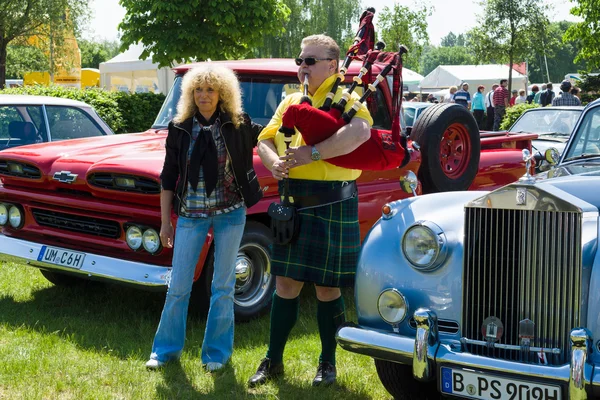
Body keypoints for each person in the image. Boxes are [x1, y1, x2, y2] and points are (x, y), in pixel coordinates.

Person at [248, 34, 373, 388]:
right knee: (285, 283)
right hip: (294, 200)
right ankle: (272, 361)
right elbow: (265, 139)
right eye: (300, 60)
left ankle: (327, 363)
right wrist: (273, 163)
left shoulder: (349, 98)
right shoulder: (291, 100)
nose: (302, 67)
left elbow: (360, 133)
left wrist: (311, 154)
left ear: (332, 65)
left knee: (326, 288)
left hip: (333, 200)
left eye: (310, 61)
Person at [145, 64, 264, 371]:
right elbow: (168, 175)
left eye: (210, 89)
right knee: (179, 285)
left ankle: (216, 355)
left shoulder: (238, 124)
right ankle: (164, 351)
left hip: (230, 214)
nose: (204, 95)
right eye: (198, 89)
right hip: (190, 215)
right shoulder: (180, 126)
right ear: (190, 93)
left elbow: (267, 139)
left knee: (222, 287)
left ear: (222, 92)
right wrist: (164, 222)